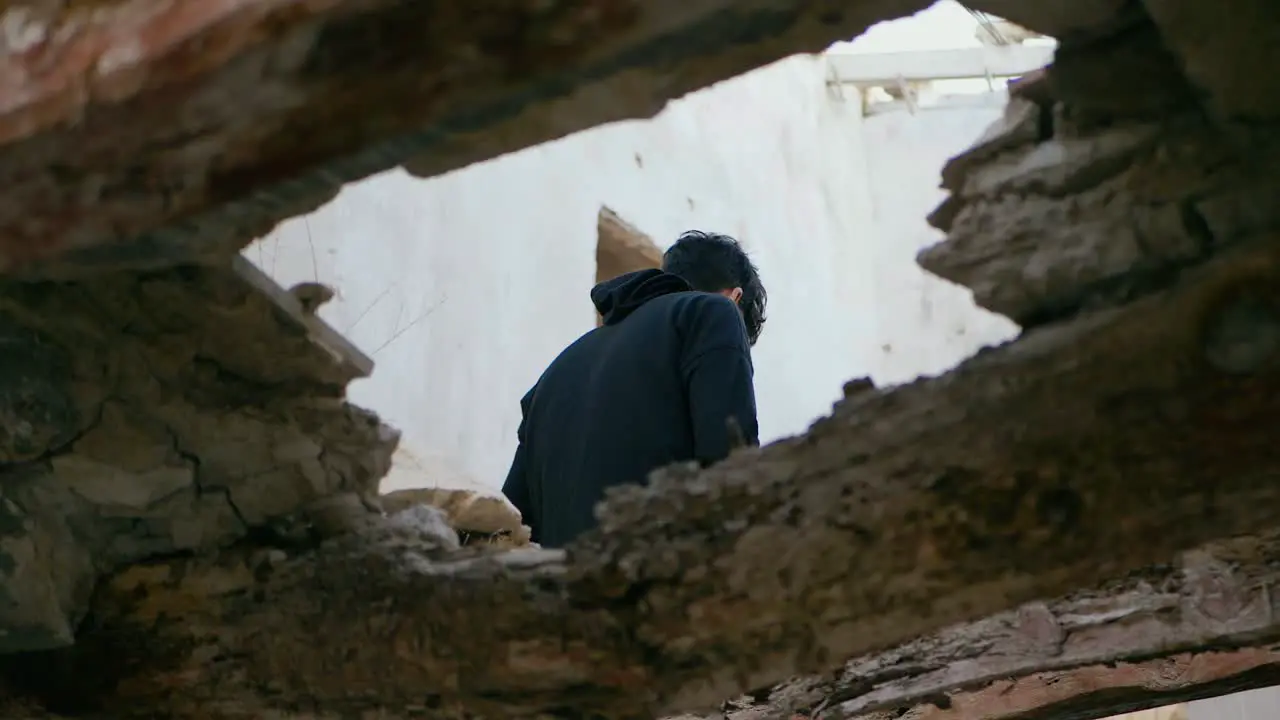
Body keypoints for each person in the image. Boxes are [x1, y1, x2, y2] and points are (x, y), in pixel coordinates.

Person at [501, 230, 767, 548]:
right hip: (660, 575)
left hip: (567, 587)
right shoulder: (712, 313)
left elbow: (510, 519)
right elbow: (731, 465)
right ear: (734, 297)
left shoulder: (556, 372)